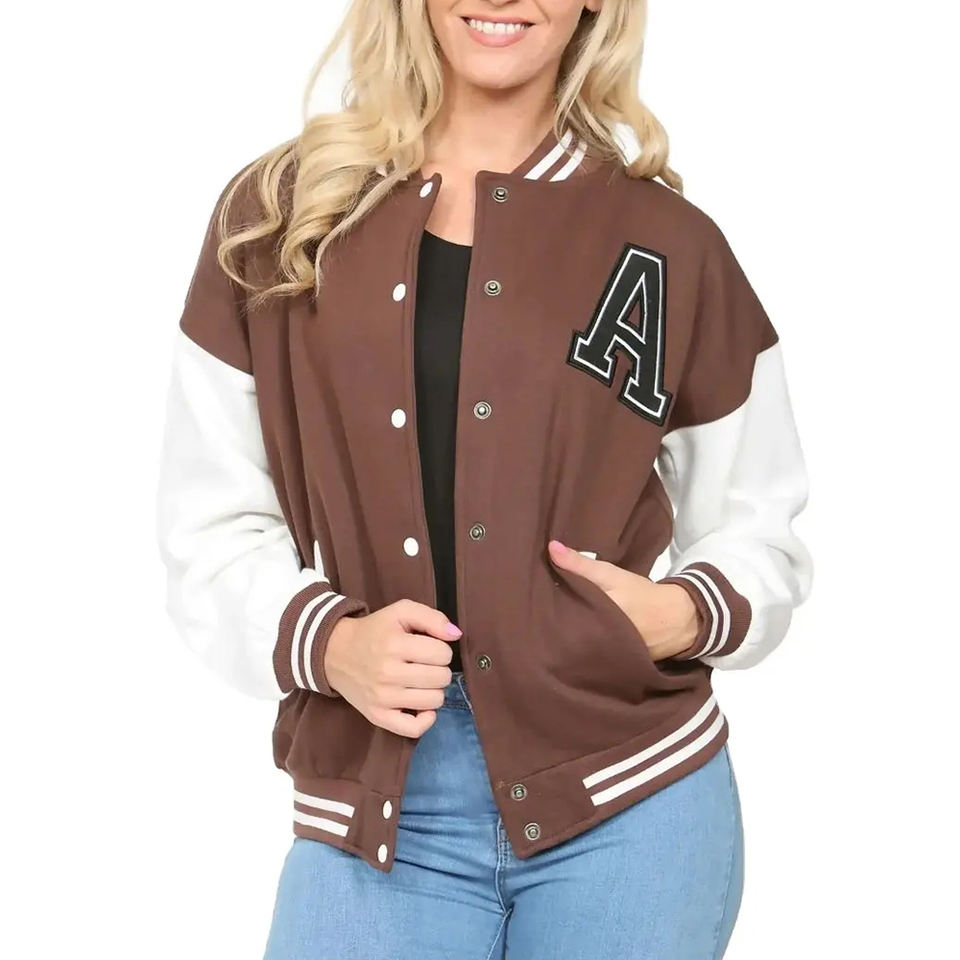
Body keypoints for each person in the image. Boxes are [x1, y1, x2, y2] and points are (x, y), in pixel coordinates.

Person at [155, 1, 813, 957]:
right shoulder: (281, 217)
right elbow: (207, 519)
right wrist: (330, 643)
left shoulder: (669, 241)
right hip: (378, 805)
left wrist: (675, 617)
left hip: (631, 799)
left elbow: (759, 525)